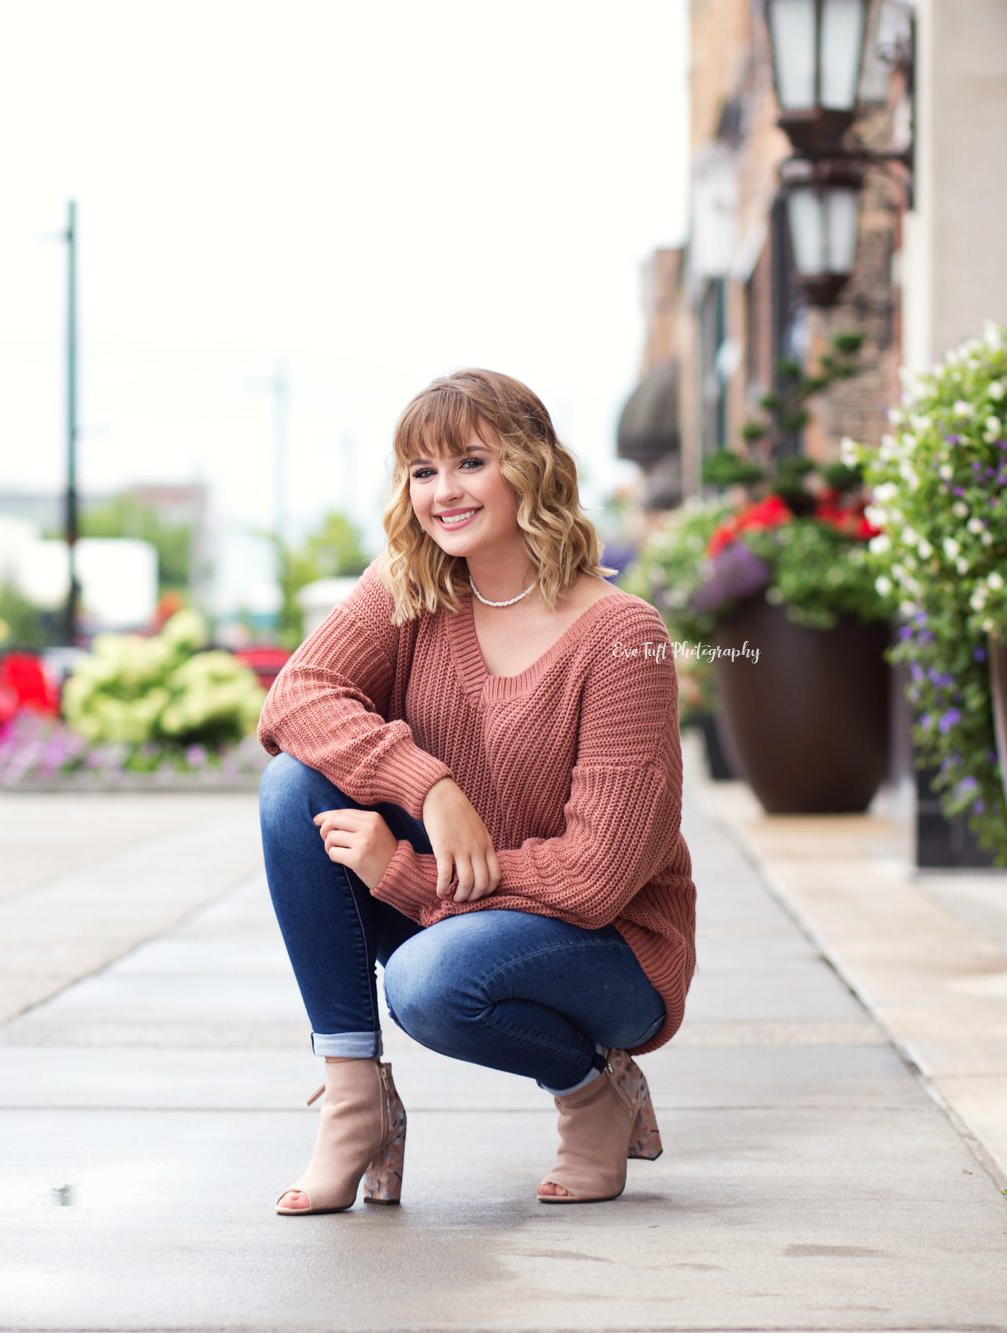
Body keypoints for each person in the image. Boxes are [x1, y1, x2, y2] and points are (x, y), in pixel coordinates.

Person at [256, 368, 697, 1216]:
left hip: (606, 948)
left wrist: (406, 874)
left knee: (429, 985)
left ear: (530, 468)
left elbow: (596, 876)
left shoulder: (623, 634)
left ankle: (591, 1091)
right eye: (422, 471)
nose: (442, 492)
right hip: (468, 905)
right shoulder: (411, 590)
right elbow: (295, 699)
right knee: (293, 788)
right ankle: (356, 1102)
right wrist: (429, 788)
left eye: (468, 462)